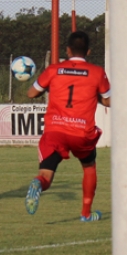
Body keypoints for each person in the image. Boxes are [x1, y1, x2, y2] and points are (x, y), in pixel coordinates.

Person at [25, 30, 111, 222]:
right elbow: (108, 101)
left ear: (68, 50)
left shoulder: (54, 70)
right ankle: (86, 213)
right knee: (89, 167)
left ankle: (38, 183)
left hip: (55, 130)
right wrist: (92, 94)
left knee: (46, 174)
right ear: (88, 51)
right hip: (82, 133)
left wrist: (50, 86)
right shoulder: (97, 72)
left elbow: (31, 93)